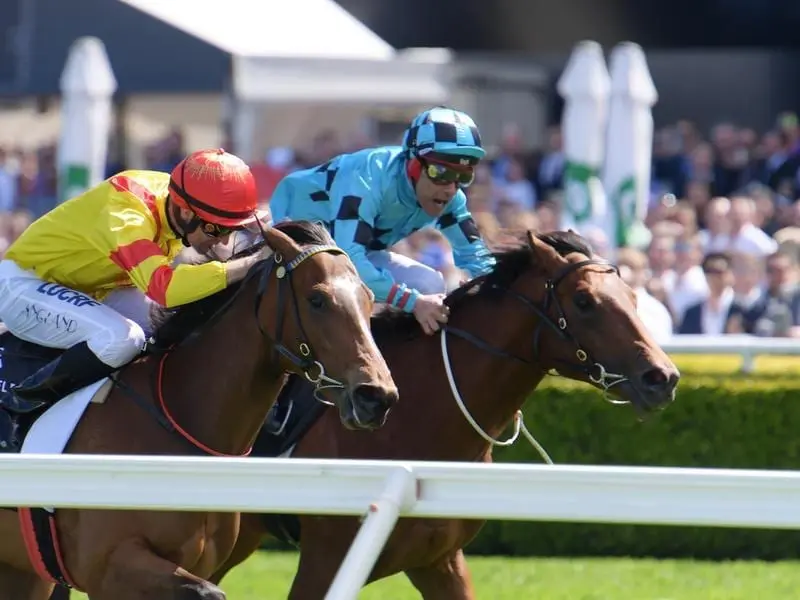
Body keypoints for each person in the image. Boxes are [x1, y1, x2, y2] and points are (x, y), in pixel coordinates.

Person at [265, 106, 496, 433]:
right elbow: (352, 264)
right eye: (442, 173)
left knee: (429, 281)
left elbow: (479, 260)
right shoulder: (370, 176)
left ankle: (404, 380)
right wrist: (414, 303)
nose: (451, 188)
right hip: (293, 234)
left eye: (464, 175)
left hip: (346, 250)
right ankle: (278, 397)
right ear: (414, 165)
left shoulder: (451, 199)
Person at [0, 148, 270, 424]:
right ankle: (21, 403)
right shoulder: (127, 215)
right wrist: (247, 266)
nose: (223, 241)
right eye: (217, 230)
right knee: (122, 339)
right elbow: (165, 290)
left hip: (90, 287)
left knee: (175, 331)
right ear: (186, 214)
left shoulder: (181, 198)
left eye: (230, 230)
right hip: (24, 284)